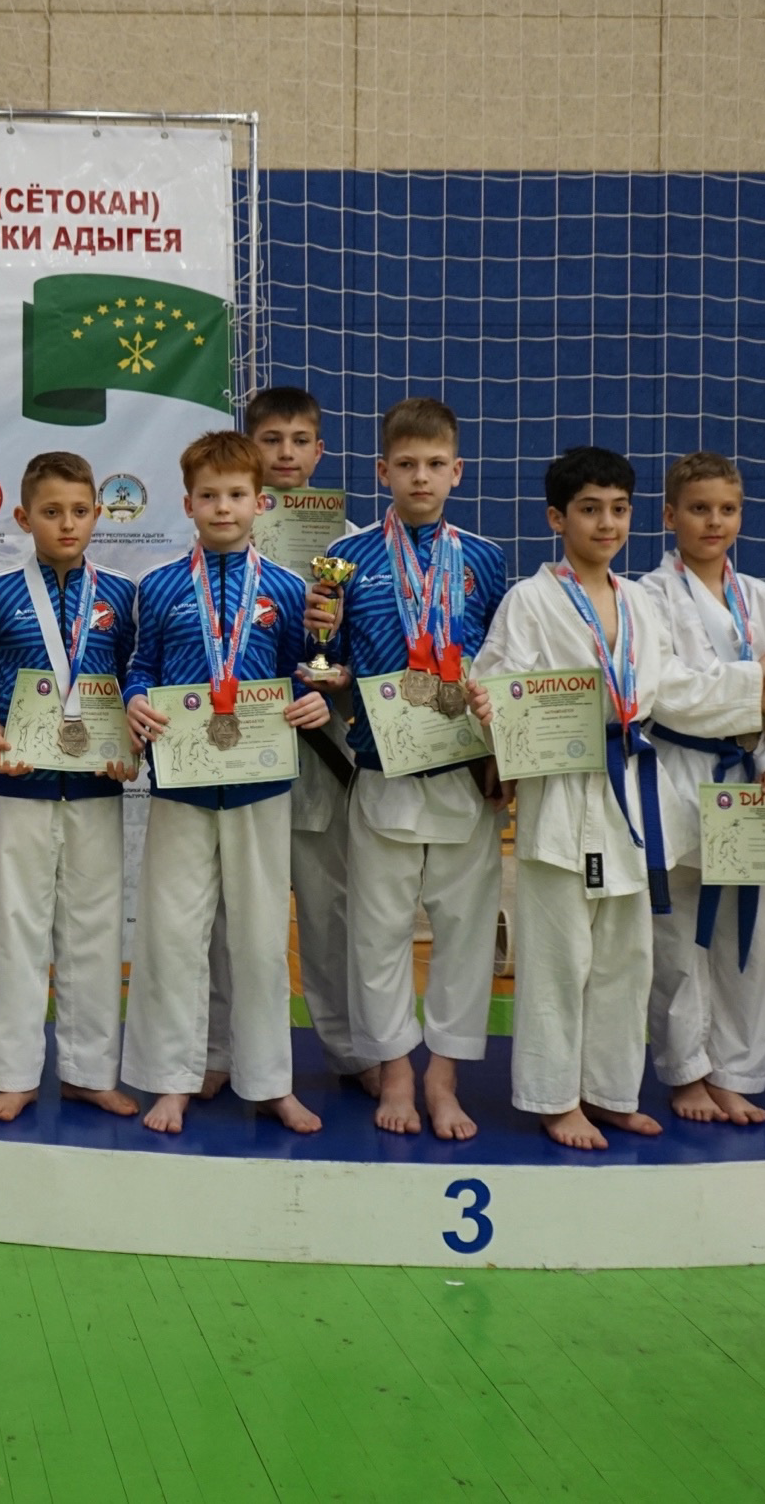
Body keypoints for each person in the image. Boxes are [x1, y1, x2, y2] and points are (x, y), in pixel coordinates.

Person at [469, 446, 765, 1151]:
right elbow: (498, 681)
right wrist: (491, 715)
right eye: (590, 509)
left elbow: (675, 692)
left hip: (634, 794)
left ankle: (611, 1091)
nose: (607, 524)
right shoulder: (529, 600)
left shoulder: (640, 603)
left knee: (628, 957)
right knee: (560, 956)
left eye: (618, 510)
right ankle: (555, 1097)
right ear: (557, 518)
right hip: (564, 789)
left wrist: (754, 684)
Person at [120, 429, 332, 1136]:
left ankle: (270, 1082)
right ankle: (172, 1080)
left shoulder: (289, 588)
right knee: (173, 935)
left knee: (261, 939)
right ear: (187, 504)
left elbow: (306, 670)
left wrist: (315, 698)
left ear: (259, 502)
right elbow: (141, 666)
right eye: (208, 496)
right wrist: (135, 700)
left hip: (259, 786)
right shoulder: (158, 585)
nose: (222, 507)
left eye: (236, 495)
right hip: (180, 783)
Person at [309, 396, 509, 1141]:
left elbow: (503, 664)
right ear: (381, 471)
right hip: (382, 765)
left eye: (434, 464)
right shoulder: (348, 558)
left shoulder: (485, 558)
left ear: (458, 471)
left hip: (464, 768)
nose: (420, 477)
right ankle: (394, 1068)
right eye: (406, 464)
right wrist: (328, 667)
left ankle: (443, 1077)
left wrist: (506, 754)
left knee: (465, 930)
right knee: (377, 929)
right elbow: (331, 660)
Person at [0, 451, 141, 1120]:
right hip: (19, 785)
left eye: (80, 511)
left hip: (97, 788)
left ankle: (89, 1071)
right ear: (24, 518)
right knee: (17, 930)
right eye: (51, 512)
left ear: (98, 514)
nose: (67, 524)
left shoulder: (121, 594)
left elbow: (138, 685)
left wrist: (132, 746)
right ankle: (13, 1073)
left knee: (95, 930)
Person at [637, 452, 765, 1126]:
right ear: (669, 515)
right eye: (699, 509)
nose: (714, 522)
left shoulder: (763, 598)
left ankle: (735, 1073)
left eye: (727, 510)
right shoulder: (647, 597)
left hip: (750, 776)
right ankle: (686, 1073)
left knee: (751, 938)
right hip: (677, 774)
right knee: (676, 940)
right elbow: (665, 692)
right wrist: (754, 687)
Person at [210, 386, 359, 1102]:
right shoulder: (223, 529)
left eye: (300, 441)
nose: (287, 453)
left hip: (320, 744)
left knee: (329, 909)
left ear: (320, 451)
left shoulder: (350, 544)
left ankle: (351, 1050)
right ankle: (218, 1050)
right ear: (250, 447)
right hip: (235, 748)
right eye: (271, 440)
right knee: (231, 914)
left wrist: (338, 670)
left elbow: (368, 643)